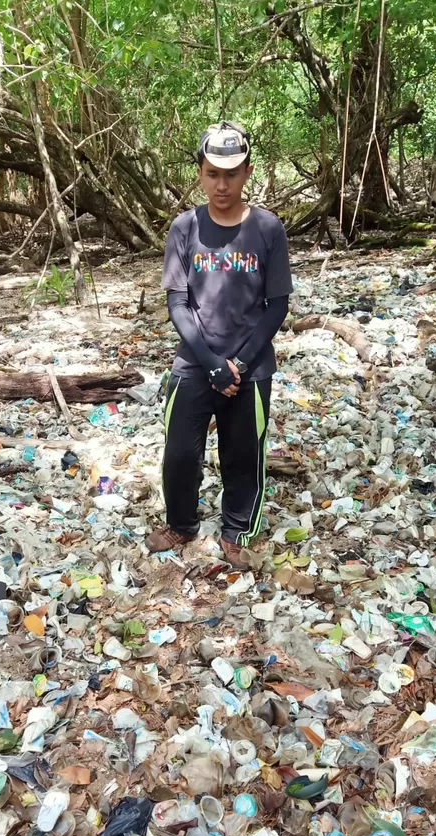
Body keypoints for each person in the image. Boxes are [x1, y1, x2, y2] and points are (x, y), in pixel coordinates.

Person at [146, 120, 293, 567]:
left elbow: (277, 305)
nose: (222, 184)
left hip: (251, 367)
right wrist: (210, 362)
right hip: (194, 363)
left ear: (248, 172)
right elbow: (177, 304)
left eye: (231, 173)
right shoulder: (185, 228)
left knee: (243, 452)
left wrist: (240, 364)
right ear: (200, 172)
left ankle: (236, 529)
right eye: (212, 173)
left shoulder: (268, 229)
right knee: (179, 451)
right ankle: (181, 523)